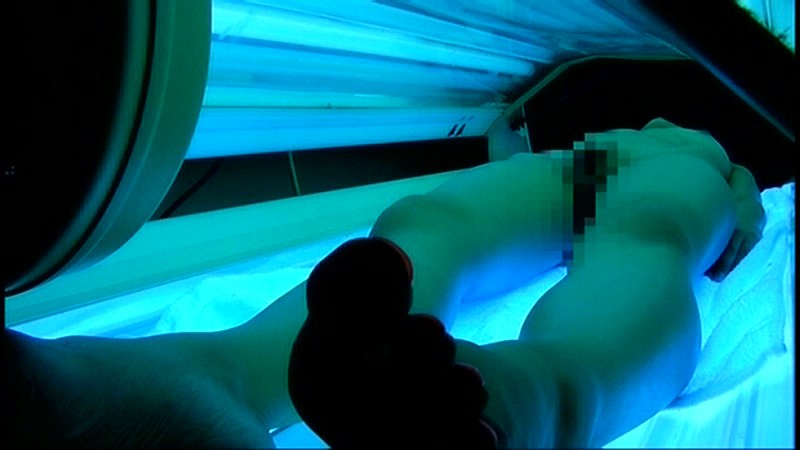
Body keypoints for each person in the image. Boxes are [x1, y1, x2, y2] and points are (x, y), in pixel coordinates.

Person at [4, 118, 765, 448]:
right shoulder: (690, 146)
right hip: (628, 166)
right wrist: (734, 197)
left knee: (436, 230)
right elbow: (740, 214)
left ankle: (220, 377)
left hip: (620, 165)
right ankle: (512, 407)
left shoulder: (683, 145)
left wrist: (736, 192)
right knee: (638, 238)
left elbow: (745, 207)